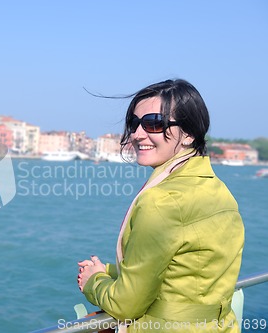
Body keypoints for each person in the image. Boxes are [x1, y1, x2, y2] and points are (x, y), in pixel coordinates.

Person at [77, 79, 244, 332]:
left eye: (154, 123)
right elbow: (184, 274)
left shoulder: (160, 201)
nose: (137, 134)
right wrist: (110, 270)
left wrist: (94, 281)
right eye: (134, 123)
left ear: (188, 134)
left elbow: (125, 305)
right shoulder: (219, 190)